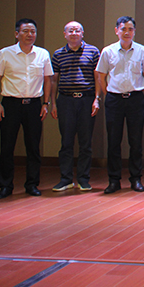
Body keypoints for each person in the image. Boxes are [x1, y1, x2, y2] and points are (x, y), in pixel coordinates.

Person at [0, 19, 53, 199]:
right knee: (7, 146)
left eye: (33, 31)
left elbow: (48, 79)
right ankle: (5, 185)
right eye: (25, 31)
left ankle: (32, 184)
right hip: (10, 104)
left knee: (33, 146)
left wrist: (45, 103)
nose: (30, 35)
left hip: (34, 105)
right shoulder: (5, 53)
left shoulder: (42, 54)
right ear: (16, 34)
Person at [96, 16, 144, 194]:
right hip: (114, 100)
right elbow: (101, 76)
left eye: (130, 29)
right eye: (123, 29)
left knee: (135, 141)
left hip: (135, 99)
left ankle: (136, 179)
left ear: (134, 31)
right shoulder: (108, 51)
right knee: (114, 141)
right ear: (117, 31)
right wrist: (110, 92)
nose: (127, 32)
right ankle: (114, 180)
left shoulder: (142, 51)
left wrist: (133, 89)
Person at [50, 21, 101, 192]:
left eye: (77, 30)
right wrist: (53, 102)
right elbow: (54, 80)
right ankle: (65, 179)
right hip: (65, 100)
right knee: (66, 141)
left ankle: (83, 179)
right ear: (65, 34)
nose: (74, 33)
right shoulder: (58, 54)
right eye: (70, 31)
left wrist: (97, 99)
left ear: (82, 33)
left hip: (86, 99)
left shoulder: (93, 51)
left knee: (85, 143)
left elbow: (97, 77)